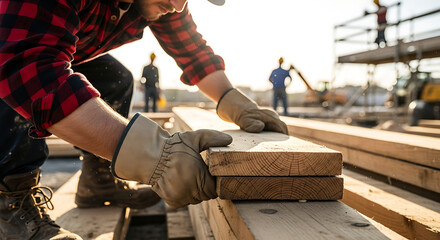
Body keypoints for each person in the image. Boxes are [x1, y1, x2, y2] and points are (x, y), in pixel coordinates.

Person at [0, 0, 288, 239]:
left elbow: (193, 51)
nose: (178, 6)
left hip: (27, 50)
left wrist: (231, 99)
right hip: (8, 49)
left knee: (117, 80)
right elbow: (28, 66)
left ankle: (98, 183)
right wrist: (154, 157)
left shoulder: (161, 1)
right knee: (16, 86)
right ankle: (9, 206)